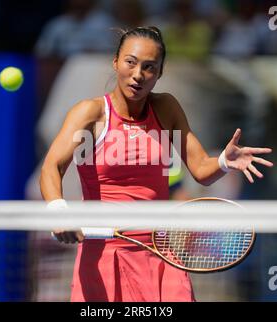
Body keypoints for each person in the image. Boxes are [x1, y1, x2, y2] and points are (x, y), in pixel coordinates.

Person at [40, 26, 273, 302]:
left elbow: (200, 169)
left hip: (161, 254)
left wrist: (223, 161)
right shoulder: (90, 113)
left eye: (149, 67)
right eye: (131, 62)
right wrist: (59, 211)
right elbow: (51, 167)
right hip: (103, 256)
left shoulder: (166, 108)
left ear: (160, 73)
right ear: (116, 62)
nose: (138, 74)